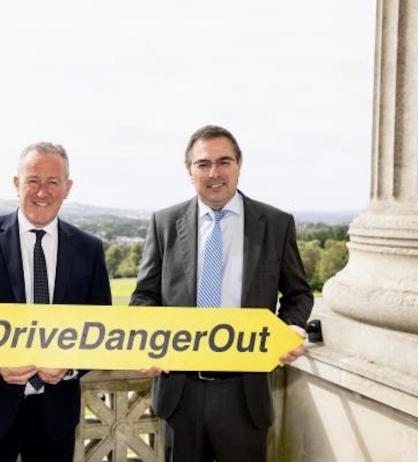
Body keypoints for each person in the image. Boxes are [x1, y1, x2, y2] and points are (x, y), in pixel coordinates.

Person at [130, 125, 313, 462]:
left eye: (224, 161)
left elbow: (298, 294)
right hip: (180, 393)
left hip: (245, 395)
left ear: (239, 164)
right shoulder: (164, 223)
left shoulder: (275, 223)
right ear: (190, 172)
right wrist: (149, 339)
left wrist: (289, 329)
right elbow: (144, 296)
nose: (214, 173)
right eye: (203, 164)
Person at [0, 142, 112, 462]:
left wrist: (71, 367)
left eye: (53, 182)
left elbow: (100, 329)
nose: (42, 191)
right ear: (17, 183)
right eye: (32, 180)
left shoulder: (89, 248)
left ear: (67, 188)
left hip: (55, 418)